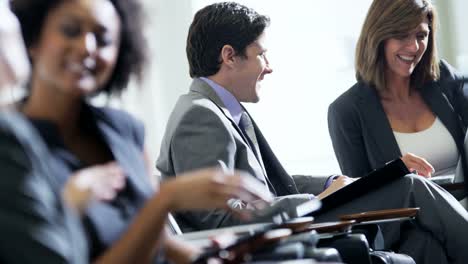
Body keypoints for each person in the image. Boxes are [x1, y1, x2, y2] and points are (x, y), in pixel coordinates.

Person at [156, 2, 468, 263]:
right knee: (411, 185)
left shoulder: (215, 110)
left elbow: (266, 184)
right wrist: (310, 200)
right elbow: (222, 220)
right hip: (283, 234)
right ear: (229, 56)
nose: (269, 66)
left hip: (291, 221)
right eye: (262, 54)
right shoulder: (199, 117)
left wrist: (330, 184)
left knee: (424, 244)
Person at [0, 0, 270, 263]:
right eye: (71, 31)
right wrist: (166, 199)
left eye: (103, 39)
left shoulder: (125, 129)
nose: (87, 47)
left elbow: (159, 240)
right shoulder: (10, 143)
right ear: (33, 38)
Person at [328, 0, 468, 180]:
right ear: (378, 37)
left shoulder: (444, 79)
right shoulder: (345, 111)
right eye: (402, 35)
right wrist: (393, 172)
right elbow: (357, 197)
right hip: (412, 207)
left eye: (421, 35)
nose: (414, 47)